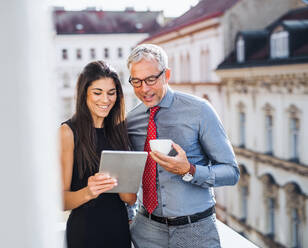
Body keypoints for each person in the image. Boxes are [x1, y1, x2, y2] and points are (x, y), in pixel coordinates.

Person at [126, 44, 240, 248]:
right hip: (146, 231)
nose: (144, 89)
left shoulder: (200, 111)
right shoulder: (131, 121)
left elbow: (232, 172)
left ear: (166, 74)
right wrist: (129, 216)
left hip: (196, 230)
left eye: (151, 79)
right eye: (136, 81)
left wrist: (190, 170)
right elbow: (126, 175)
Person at [60, 60, 136, 248]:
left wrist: (128, 178)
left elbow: (129, 198)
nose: (105, 100)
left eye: (111, 93)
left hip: (118, 230)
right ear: (84, 93)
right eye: (97, 93)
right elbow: (61, 200)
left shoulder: (120, 131)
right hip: (84, 233)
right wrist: (89, 192)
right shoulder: (67, 132)